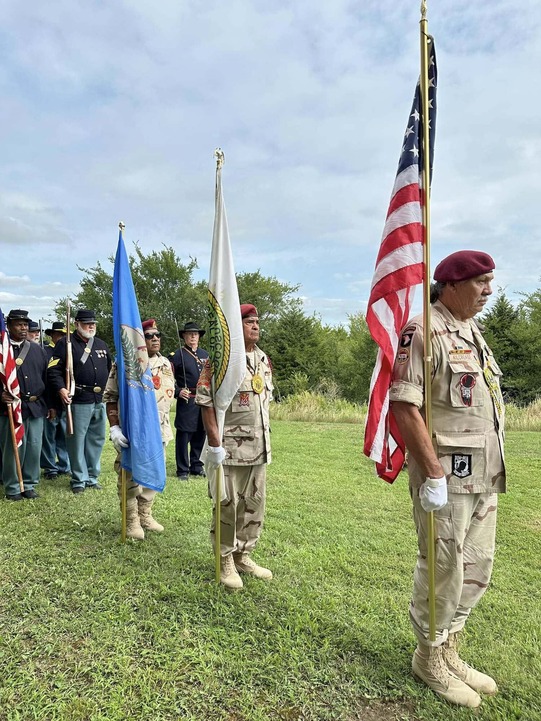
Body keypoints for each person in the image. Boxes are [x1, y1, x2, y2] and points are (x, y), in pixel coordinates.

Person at [389, 251, 505, 708]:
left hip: (483, 475)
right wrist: (432, 473)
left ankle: (450, 646)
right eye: (482, 282)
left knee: (476, 565)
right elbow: (404, 405)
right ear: (452, 284)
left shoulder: (471, 331)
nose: (489, 291)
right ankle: (428, 657)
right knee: (442, 565)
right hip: (447, 479)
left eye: (491, 282)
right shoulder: (423, 330)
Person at [196, 303, 273, 590]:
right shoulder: (222, 360)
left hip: (259, 447)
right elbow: (206, 402)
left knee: (254, 505)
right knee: (227, 506)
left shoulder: (263, 359)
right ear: (235, 327)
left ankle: (243, 554)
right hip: (228, 449)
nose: (255, 326)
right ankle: (225, 558)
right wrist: (214, 445)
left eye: (257, 321)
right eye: (248, 321)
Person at [103, 318, 175, 539]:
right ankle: (131, 519)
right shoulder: (125, 363)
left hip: (159, 430)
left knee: (154, 470)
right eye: (150, 335)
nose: (155, 339)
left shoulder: (165, 363)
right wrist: (115, 428)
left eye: (158, 335)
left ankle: (145, 513)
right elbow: (111, 397)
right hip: (133, 430)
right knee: (130, 474)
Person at [47, 309, 112, 494]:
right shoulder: (65, 344)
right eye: (86, 323)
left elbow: (108, 370)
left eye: (93, 323)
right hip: (78, 400)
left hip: (99, 399)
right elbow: (53, 371)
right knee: (76, 441)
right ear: (76, 324)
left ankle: (92, 476)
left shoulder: (101, 344)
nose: (91, 326)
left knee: (96, 440)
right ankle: (78, 478)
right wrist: (61, 389)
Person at [0, 309, 53, 500]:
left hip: (36, 406)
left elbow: (45, 378)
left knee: (33, 446)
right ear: (9, 326)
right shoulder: (2, 351)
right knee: (13, 448)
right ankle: (13, 487)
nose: (23, 328)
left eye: (25, 324)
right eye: (18, 324)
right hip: (12, 407)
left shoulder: (37, 349)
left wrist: (50, 405)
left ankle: (29, 483)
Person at [171, 321, 209, 481]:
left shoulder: (205, 355)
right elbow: (167, 378)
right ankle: (182, 470)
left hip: (204, 399)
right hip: (187, 400)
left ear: (199, 336)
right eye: (190, 334)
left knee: (201, 433)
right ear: (184, 336)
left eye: (195, 334)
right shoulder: (177, 356)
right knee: (184, 435)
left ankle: (196, 465)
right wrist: (178, 391)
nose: (193, 336)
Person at [40, 322, 71, 480]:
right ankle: (50, 467)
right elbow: (45, 381)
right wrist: (48, 404)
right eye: (59, 334)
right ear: (52, 335)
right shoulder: (44, 351)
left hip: (66, 400)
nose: (62, 337)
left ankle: (64, 465)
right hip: (50, 399)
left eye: (64, 335)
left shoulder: (69, 350)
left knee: (65, 436)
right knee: (49, 436)